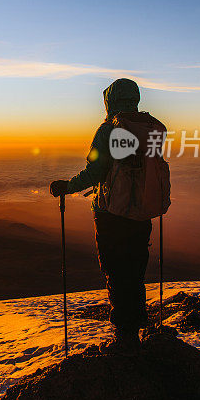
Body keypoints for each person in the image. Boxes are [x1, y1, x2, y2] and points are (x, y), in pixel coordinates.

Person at [50, 78, 152, 356]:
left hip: (111, 215)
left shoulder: (108, 131)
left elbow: (95, 172)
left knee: (116, 272)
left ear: (109, 101)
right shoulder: (149, 129)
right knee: (134, 271)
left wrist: (67, 187)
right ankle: (136, 329)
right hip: (142, 213)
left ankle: (125, 338)